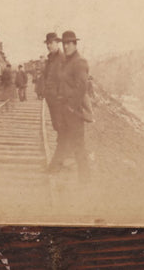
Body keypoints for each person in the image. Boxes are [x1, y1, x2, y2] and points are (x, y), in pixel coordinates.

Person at [48, 31, 91, 182]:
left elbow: (82, 87)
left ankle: (85, 180)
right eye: (64, 43)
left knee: (78, 146)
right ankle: (53, 170)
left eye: (69, 43)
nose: (65, 46)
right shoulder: (66, 62)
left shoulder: (80, 62)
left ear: (75, 44)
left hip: (73, 112)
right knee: (63, 140)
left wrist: (72, 106)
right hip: (63, 109)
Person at [42, 33, 65, 169]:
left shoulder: (61, 58)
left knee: (61, 128)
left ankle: (59, 161)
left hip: (58, 100)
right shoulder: (50, 59)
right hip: (51, 99)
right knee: (58, 127)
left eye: (51, 42)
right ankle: (62, 158)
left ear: (57, 43)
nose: (48, 45)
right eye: (47, 43)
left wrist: (58, 96)